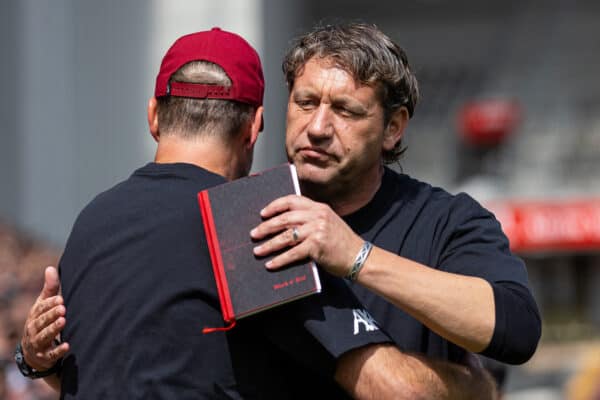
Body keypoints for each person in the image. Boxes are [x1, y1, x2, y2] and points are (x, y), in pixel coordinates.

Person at [15, 27, 500, 399]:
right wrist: (476, 387)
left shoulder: (94, 222)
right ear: (255, 127)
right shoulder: (250, 221)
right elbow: (394, 389)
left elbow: (101, 372)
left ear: (154, 117)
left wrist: (34, 360)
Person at [250, 21, 541, 385]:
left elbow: (517, 329)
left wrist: (357, 256)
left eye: (345, 110)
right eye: (305, 103)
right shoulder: (247, 212)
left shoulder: (446, 221)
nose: (318, 127)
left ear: (393, 128)